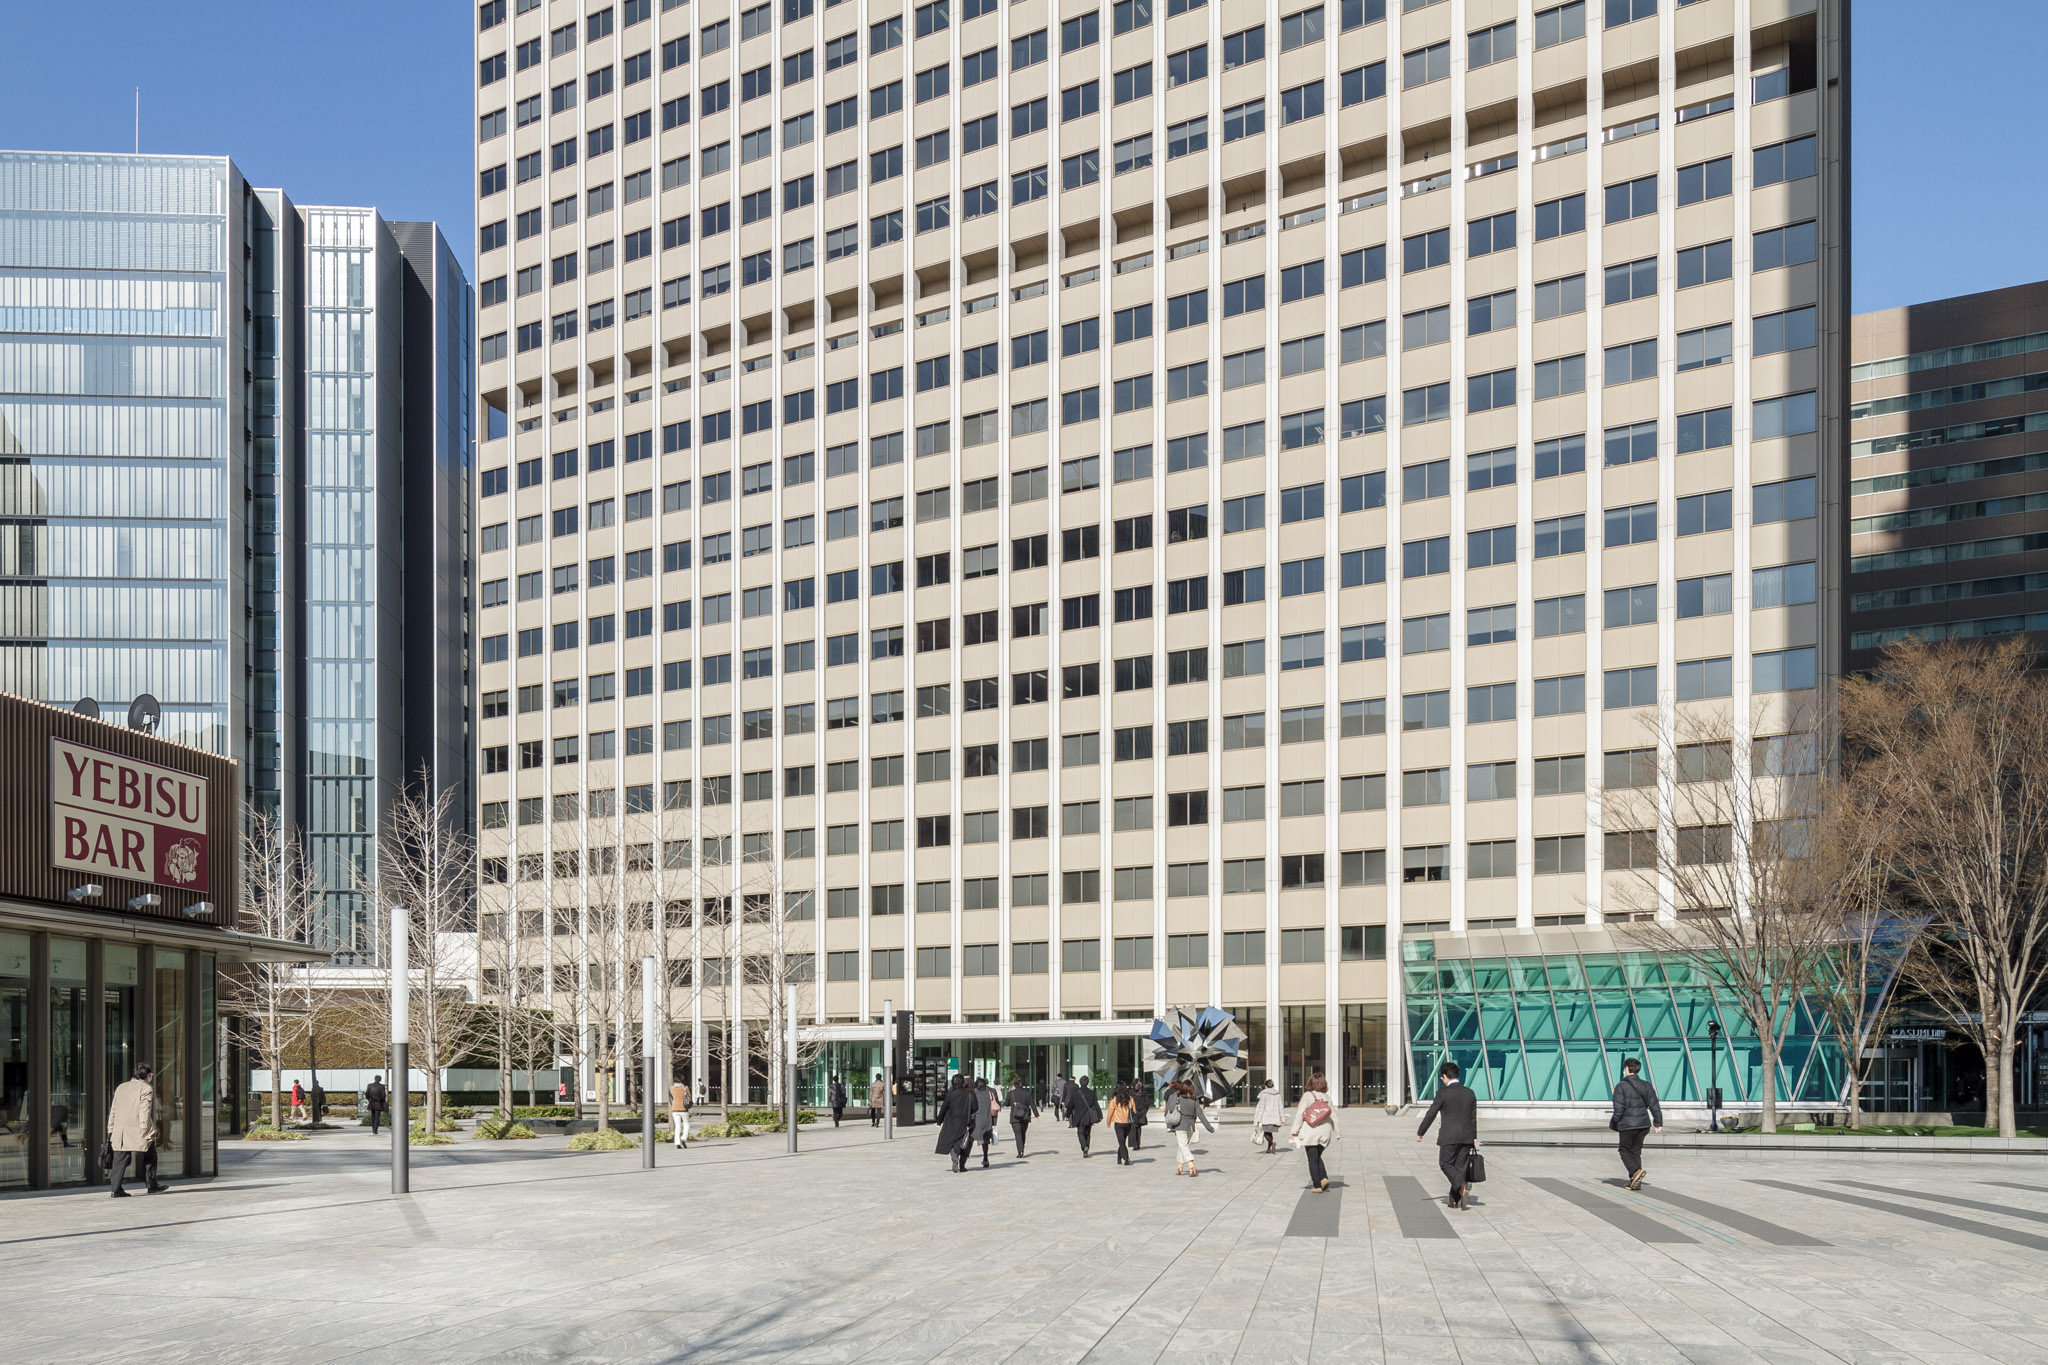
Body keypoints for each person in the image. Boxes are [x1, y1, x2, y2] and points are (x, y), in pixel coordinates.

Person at [1415, 1060, 1479, 1209]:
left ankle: (1461, 1184)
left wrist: (1421, 1132)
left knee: (1445, 1164)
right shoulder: (1469, 1093)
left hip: (1449, 1136)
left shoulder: (1442, 1093)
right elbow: (1473, 1117)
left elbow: (1431, 1114)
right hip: (1467, 1137)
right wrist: (1474, 1137)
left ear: (1444, 1076)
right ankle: (1453, 1201)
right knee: (1459, 1168)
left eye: (1442, 1078)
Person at [107, 1063, 161, 1197]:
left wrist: (110, 1128)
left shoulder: (121, 1087)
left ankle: (115, 1189)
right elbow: (144, 1108)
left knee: (120, 1159)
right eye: (151, 1075)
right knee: (150, 1155)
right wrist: (143, 1126)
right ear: (147, 1075)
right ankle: (152, 1185)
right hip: (137, 1128)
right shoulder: (146, 1088)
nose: (151, 1077)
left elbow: (114, 1109)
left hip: (120, 1130)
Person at [1611, 1057, 1664, 1190]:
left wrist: (1614, 1122)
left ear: (1627, 1069)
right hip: (1643, 1124)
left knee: (1624, 1150)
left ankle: (1636, 1172)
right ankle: (1635, 1181)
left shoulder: (1621, 1086)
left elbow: (1619, 1109)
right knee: (1635, 1152)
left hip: (1628, 1125)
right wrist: (1658, 1122)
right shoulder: (1646, 1085)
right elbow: (1654, 1105)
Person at [1291, 1071, 1340, 1193]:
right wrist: (1337, 1133)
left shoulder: (1307, 1096)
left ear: (1311, 1083)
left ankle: (1317, 1185)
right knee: (1317, 1156)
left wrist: (1294, 1131)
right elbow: (1334, 1117)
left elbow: (1300, 1114)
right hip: (1325, 1132)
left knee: (1312, 1159)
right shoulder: (1327, 1098)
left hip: (1311, 1131)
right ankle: (1323, 1178)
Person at [1164, 1080, 1215, 1176]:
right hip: (1191, 1126)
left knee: (1183, 1146)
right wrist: (1209, 1127)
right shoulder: (1194, 1099)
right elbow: (1200, 1114)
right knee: (1183, 1146)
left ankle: (1191, 1165)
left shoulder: (1177, 1097)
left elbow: (1169, 1108)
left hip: (1180, 1125)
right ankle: (1180, 1167)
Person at [934, 1073, 977, 1172]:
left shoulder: (950, 1094)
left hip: (951, 1121)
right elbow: (975, 1108)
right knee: (964, 1142)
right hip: (965, 1122)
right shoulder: (970, 1094)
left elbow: (944, 1108)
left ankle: (954, 1156)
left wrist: (939, 1121)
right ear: (963, 1082)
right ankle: (962, 1165)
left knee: (949, 1141)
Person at [1067, 1073, 1102, 1156]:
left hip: (1079, 1116)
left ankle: (1084, 1146)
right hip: (1089, 1116)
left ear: (1079, 1083)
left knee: (1080, 1133)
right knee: (1088, 1133)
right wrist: (1100, 1115)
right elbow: (1096, 1104)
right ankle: (1086, 1148)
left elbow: (1070, 1105)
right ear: (1088, 1083)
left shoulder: (1075, 1093)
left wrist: (1067, 1114)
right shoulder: (1092, 1092)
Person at [1105, 1082, 1137, 1165]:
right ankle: (1119, 1158)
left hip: (1118, 1122)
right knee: (1122, 1141)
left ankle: (1126, 1157)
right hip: (1128, 1122)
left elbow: (1110, 1111)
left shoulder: (1114, 1099)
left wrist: (1108, 1122)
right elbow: (1134, 1110)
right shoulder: (1130, 1098)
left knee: (1121, 1141)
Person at [1005, 1076, 1035, 1157]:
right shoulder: (1027, 1093)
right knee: (1023, 1133)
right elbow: (1032, 1104)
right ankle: (1022, 1148)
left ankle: (1020, 1151)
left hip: (1015, 1116)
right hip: (1025, 1116)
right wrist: (1036, 1115)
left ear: (1015, 1084)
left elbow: (1006, 1104)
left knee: (1018, 1134)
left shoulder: (1011, 1093)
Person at [971, 1076, 998, 1168]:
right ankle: (985, 1157)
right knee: (985, 1141)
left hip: (976, 1120)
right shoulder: (989, 1094)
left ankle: (963, 1157)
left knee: (970, 1138)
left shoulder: (974, 1094)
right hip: (987, 1119)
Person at [1253, 1079, 1285, 1155]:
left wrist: (1258, 1119)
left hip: (1266, 1117)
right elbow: (1281, 1107)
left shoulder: (1264, 1095)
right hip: (1275, 1117)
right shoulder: (1277, 1095)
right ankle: (1268, 1149)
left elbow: (1261, 1108)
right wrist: (1283, 1119)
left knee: (1265, 1133)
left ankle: (1272, 1143)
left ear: (1265, 1086)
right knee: (1269, 1133)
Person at [669, 1073, 691, 1149]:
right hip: (683, 1109)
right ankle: (683, 1138)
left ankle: (677, 1143)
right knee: (686, 1124)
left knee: (677, 1126)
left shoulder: (671, 1088)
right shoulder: (685, 1088)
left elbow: (671, 1097)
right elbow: (689, 1097)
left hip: (674, 1109)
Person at [1128, 1080, 1150, 1151]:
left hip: (1134, 1112)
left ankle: (1135, 1144)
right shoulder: (1143, 1093)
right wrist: (1143, 1111)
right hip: (1141, 1113)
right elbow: (1147, 1104)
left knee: (1134, 1128)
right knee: (1138, 1128)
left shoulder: (1131, 1093)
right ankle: (1137, 1144)